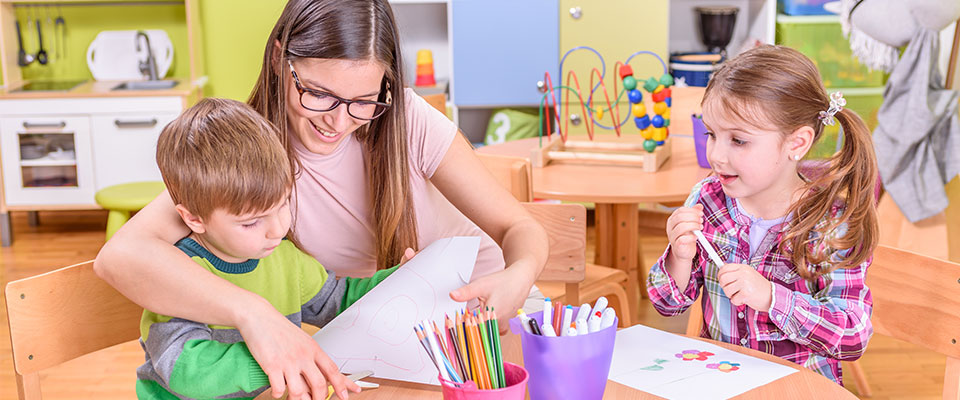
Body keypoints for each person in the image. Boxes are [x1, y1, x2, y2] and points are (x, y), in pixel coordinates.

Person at [95, 1, 548, 399]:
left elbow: (520, 228)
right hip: (394, 344)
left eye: (364, 101)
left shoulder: (405, 119)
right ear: (279, 59)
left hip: (483, 326)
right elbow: (121, 256)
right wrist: (253, 313)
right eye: (318, 93)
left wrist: (519, 276)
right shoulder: (248, 157)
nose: (338, 121)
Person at [646, 45, 879, 384]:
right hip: (720, 382)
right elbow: (667, 306)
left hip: (800, 388)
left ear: (797, 144)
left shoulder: (832, 223)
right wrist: (679, 259)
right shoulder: (707, 200)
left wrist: (772, 299)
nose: (717, 155)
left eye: (738, 140)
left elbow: (852, 335)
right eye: (712, 134)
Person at [137, 98, 397, 399]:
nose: (278, 229)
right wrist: (278, 359)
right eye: (251, 223)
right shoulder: (176, 275)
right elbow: (188, 373)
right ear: (194, 219)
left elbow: (339, 302)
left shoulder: (284, 258)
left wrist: (405, 277)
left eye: (283, 203)